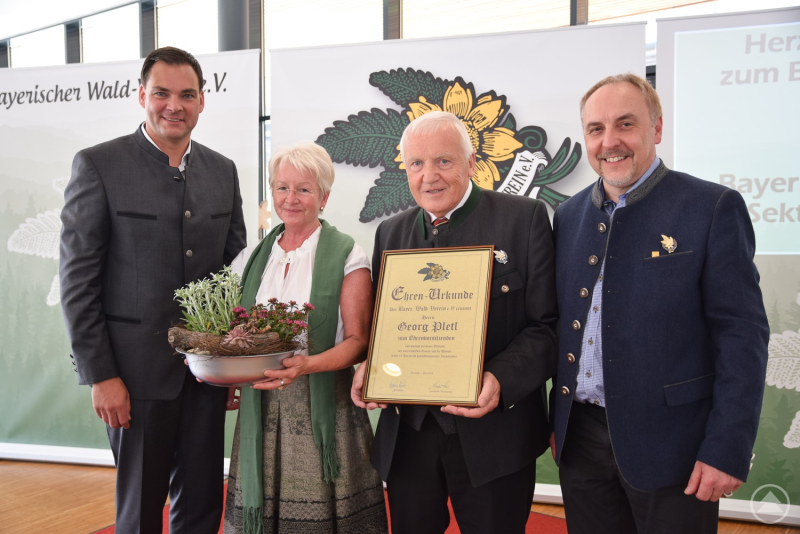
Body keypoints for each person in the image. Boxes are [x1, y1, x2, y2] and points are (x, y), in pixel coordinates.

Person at [549, 73, 769, 534]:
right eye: (595, 129)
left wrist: (725, 446)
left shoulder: (711, 207)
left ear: (657, 128)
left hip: (675, 447)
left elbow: (742, 335)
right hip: (582, 442)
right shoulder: (568, 216)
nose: (610, 141)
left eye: (625, 124)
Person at [59, 46, 246, 533]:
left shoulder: (223, 171)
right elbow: (77, 283)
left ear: (202, 101)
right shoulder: (99, 165)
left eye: (187, 95)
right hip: (133, 378)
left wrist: (230, 365)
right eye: (161, 93)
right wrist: (101, 375)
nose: (174, 105)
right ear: (142, 95)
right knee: (141, 510)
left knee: (204, 503)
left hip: (205, 377)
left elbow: (232, 273)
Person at [351, 111, 559, 534]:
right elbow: (388, 329)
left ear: (471, 163)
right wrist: (372, 368)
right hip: (410, 436)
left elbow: (548, 327)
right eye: (416, 163)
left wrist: (500, 379)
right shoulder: (390, 233)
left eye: (443, 161)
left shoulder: (524, 219)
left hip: (494, 437)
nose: (430, 176)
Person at [223, 143, 388, 534]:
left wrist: (307, 365)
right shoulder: (249, 258)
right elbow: (231, 333)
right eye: (282, 188)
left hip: (325, 403)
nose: (290, 199)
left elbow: (359, 340)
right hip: (259, 401)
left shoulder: (349, 254)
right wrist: (227, 370)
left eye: (304, 189)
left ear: (324, 197)